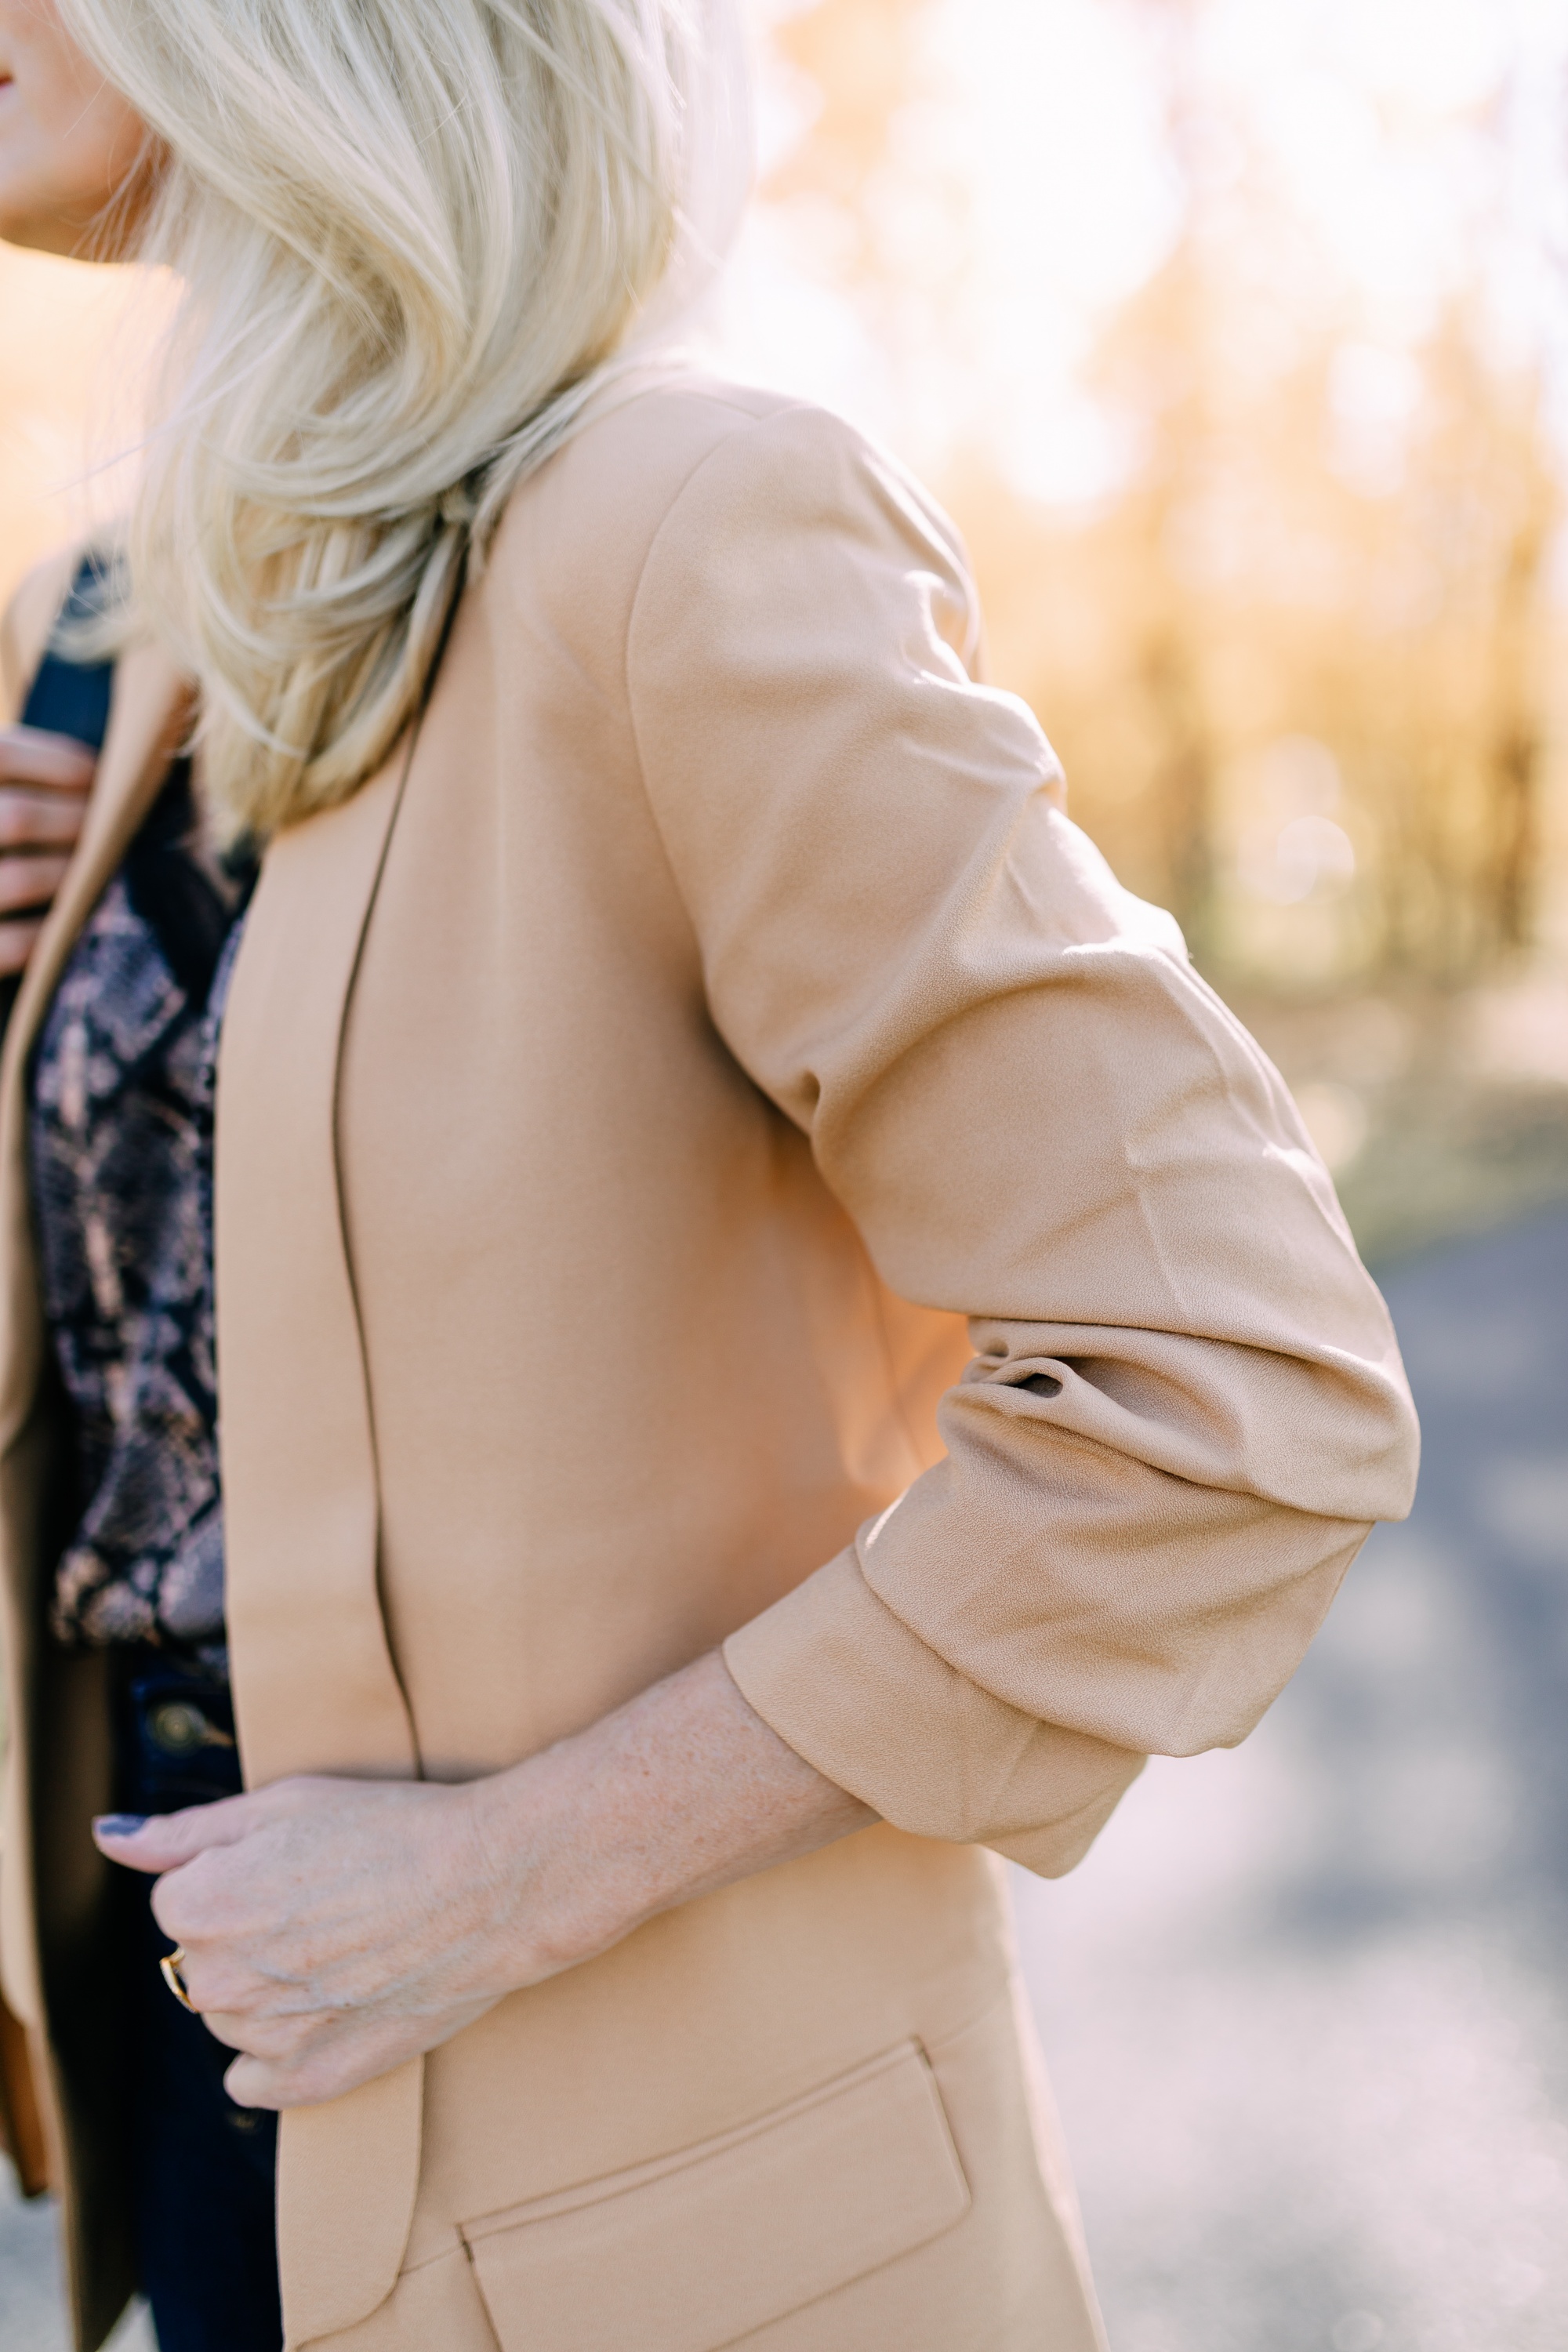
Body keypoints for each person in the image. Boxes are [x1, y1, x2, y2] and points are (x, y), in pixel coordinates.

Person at [0, 5, 1420, 2350]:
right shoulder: (126, 633)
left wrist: (504, 1879)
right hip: (200, 2090)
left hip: (657, 2186)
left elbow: (1236, 1397)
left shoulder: (689, 524)